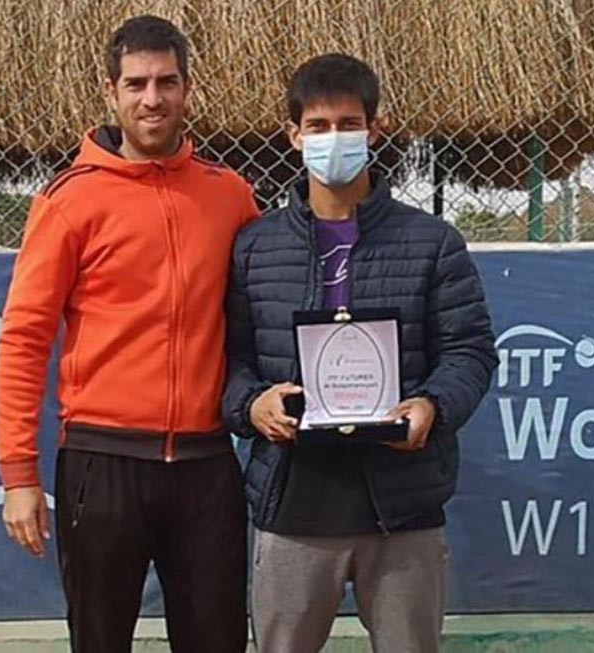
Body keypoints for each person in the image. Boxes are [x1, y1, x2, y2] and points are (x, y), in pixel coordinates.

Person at [0, 15, 257, 653]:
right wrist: (18, 476)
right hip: (100, 463)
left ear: (188, 89)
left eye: (167, 82)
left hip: (205, 465)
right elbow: (24, 339)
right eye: (136, 84)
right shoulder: (70, 201)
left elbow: (260, 319)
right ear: (110, 91)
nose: (152, 99)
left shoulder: (232, 196)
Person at [223, 53, 497, 653]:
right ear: (293, 134)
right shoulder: (254, 247)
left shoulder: (432, 242)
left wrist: (431, 405)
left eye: (348, 124)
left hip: (401, 505)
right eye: (317, 127)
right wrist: (251, 404)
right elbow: (228, 360)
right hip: (292, 502)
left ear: (375, 130)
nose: (333, 139)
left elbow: (470, 351)